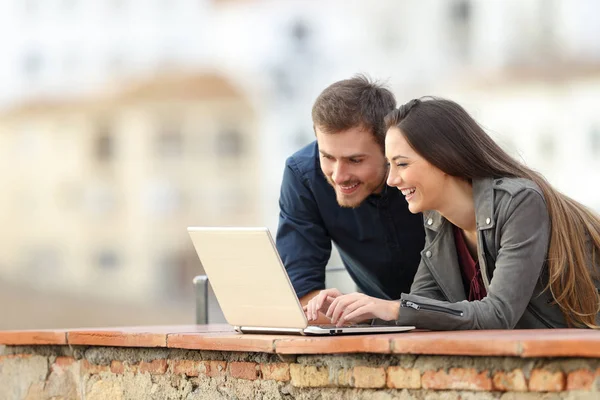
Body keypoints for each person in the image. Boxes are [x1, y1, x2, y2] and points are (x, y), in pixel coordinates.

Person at [306, 97, 600, 329]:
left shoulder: (519, 202)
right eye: (390, 165)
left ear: (444, 159)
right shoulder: (438, 220)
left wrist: (394, 308)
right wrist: (358, 310)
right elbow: (423, 307)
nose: (391, 179)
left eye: (402, 164)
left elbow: (498, 314)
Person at [276, 76, 425, 317]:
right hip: (373, 326)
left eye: (355, 160)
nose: (339, 175)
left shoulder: (425, 163)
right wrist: (348, 309)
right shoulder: (302, 176)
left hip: (457, 316)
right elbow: (302, 294)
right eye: (327, 157)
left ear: (388, 146)